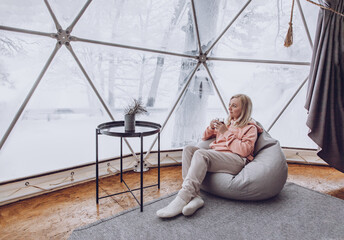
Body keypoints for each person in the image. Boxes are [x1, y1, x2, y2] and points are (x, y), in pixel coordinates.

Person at [156, 94, 263, 218]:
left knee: (201, 154)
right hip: (218, 156)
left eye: (234, 106)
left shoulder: (250, 128)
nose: (229, 108)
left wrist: (226, 133)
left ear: (244, 109)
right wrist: (211, 127)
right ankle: (194, 196)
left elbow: (244, 151)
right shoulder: (228, 124)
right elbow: (204, 137)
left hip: (236, 160)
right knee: (188, 149)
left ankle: (183, 197)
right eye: (229, 104)